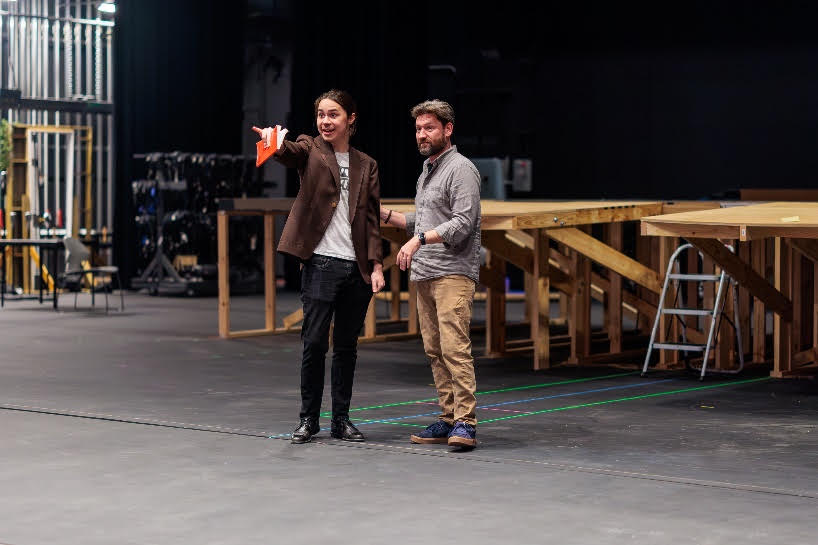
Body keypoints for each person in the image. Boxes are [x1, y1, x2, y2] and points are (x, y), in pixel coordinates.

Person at [253, 89, 385, 445]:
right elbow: (287, 152)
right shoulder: (309, 148)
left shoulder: (366, 164)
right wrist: (272, 143)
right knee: (313, 343)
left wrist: (375, 265)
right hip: (321, 263)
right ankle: (308, 419)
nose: (325, 121)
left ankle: (341, 420)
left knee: (346, 346)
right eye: (321, 115)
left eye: (333, 115)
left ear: (350, 118)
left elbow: (372, 219)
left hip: (355, 268)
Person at [379, 100, 481, 448]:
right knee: (435, 350)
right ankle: (448, 417)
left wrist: (417, 240)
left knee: (454, 348)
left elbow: (463, 223)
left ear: (447, 129)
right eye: (419, 128)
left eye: (430, 128)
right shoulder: (428, 170)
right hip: (425, 274)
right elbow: (424, 219)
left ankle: (466, 422)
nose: (422, 134)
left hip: (453, 273)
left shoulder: (461, 169)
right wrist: (388, 216)